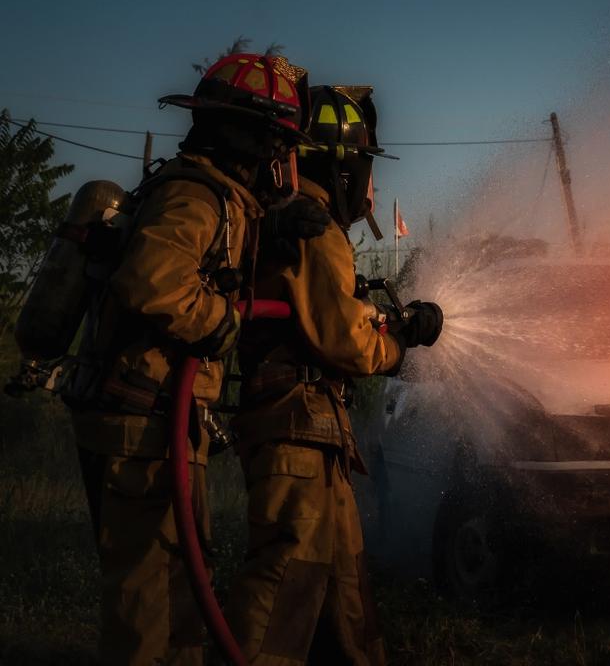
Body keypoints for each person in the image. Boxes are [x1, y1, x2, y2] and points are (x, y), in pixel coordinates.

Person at [66, 53, 313, 666]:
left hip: (149, 427)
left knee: (176, 593)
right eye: (275, 142)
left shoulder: (207, 193)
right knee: (150, 610)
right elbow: (154, 283)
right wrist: (223, 322)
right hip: (142, 429)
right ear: (247, 135)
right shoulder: (198, 196)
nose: (278, 161)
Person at [227, 85, 444, 665]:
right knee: (284, 587)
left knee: (345, 593)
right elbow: (344, 342)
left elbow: (328, 315)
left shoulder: (296, 222)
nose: (371, 192)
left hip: (315, 430)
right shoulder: (316, 230)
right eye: (367, 170)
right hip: (295, 428)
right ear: (345, 165)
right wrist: (402, 341)